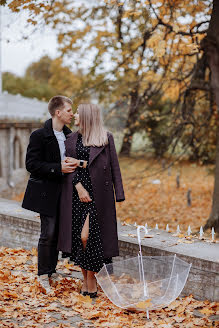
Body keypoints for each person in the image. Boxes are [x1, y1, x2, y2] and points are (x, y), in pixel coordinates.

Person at [57, 103, 125, 298]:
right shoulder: (71, 139)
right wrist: (78, 187)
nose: (75, 115)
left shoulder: (106, 138)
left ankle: (92, 280)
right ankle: (86, 281)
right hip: (76, 194)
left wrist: (118, 193)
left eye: (78, 112)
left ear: (87, 116)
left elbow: (114, 167)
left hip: (99, 196)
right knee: (80, 238)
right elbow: (67, 168)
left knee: (90, 237)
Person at [22, 95, 87, 293]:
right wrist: (57, 168)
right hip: (46, 192)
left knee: (59, 233)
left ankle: (51, 270)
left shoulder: (71, 136)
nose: (72, 113)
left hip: (67, 192)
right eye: (69, 110)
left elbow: (77, 161)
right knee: (48, 233)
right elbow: (31, 165)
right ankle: (43, 274)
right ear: (58, 112)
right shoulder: (39, 136)